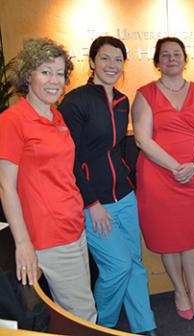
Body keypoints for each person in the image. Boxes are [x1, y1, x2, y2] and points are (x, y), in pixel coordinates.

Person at [58, 36, 157, 335]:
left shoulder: (122, 101)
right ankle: (103, 326)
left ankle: (144, 324)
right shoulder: (75, 102)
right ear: (92, 62)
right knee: (117, 267)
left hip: (125, 198)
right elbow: (70, 160)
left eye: (117, 60)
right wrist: (92, 204)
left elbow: (117, 150)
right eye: (105, 58)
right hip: (94, 203)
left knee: (135, 264)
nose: (112, 65)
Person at [0, 38, 97, 322]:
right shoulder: (13, 120)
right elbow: (6, 186)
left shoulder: (56, 116)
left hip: (73, 225)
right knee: (83, 315)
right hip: (49, 234)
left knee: (72, 312)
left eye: (60, 72)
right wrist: (23, 243)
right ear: (28, 75)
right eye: (45, 71)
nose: (55, 80)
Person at [132, 37, 194, 323]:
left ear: (185, 58)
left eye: (176, 54)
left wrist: (192, 165)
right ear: (157, 61)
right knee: (168, 238)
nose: (171, 58)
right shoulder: (144, 94)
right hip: (158, 176)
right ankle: (179, 291)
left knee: (191, 237)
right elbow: (142, 139)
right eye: (164, 55)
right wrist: (175, 166)